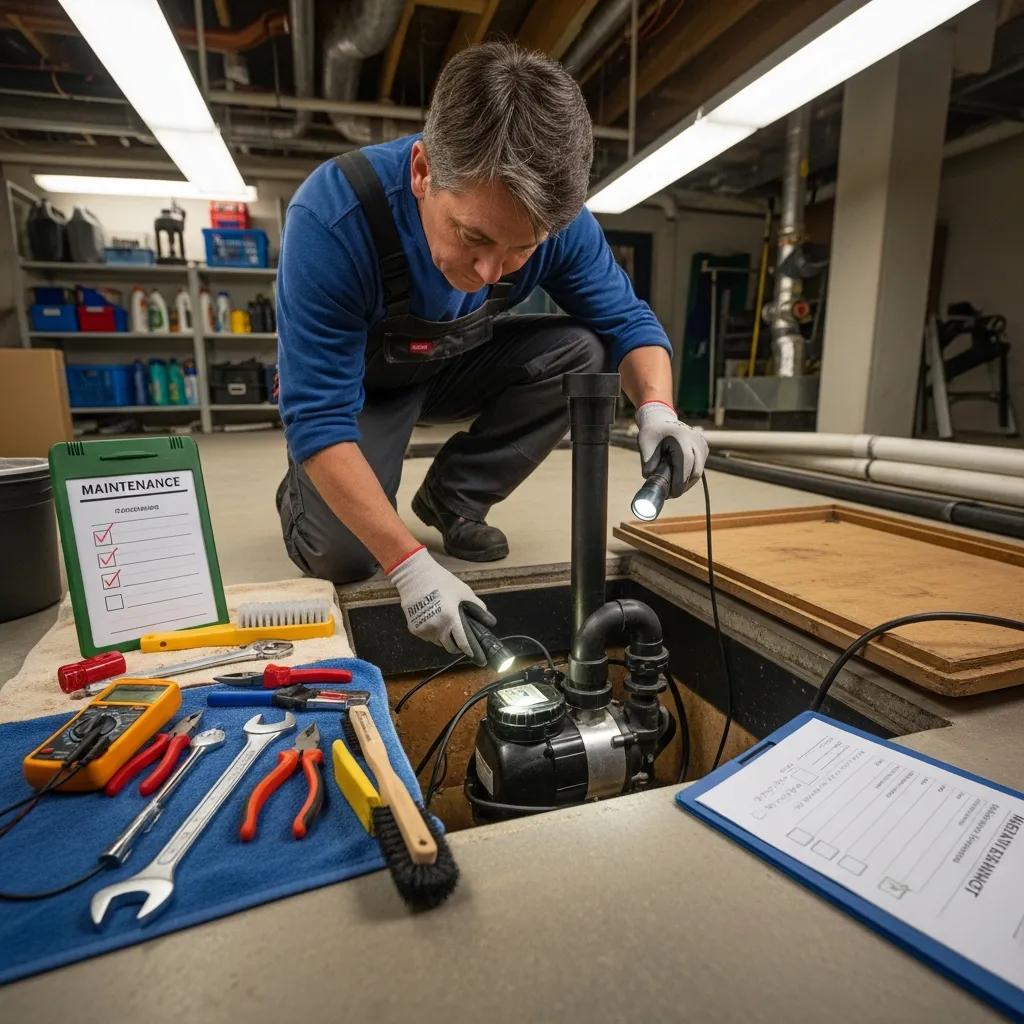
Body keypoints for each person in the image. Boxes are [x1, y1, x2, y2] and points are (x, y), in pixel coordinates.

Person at [276, 41, 707, 665]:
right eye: (472, 236)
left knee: (584, 354)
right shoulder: (333, 218)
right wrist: (410, 567)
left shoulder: (557, 225)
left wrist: (659, 409)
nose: (487, 270)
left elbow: (628, 322)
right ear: (423, 172)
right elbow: (318, 416)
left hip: (452, 362)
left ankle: (453, 496)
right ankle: (301, 492)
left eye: (518, 251)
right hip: (360, 389)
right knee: (344, 557)